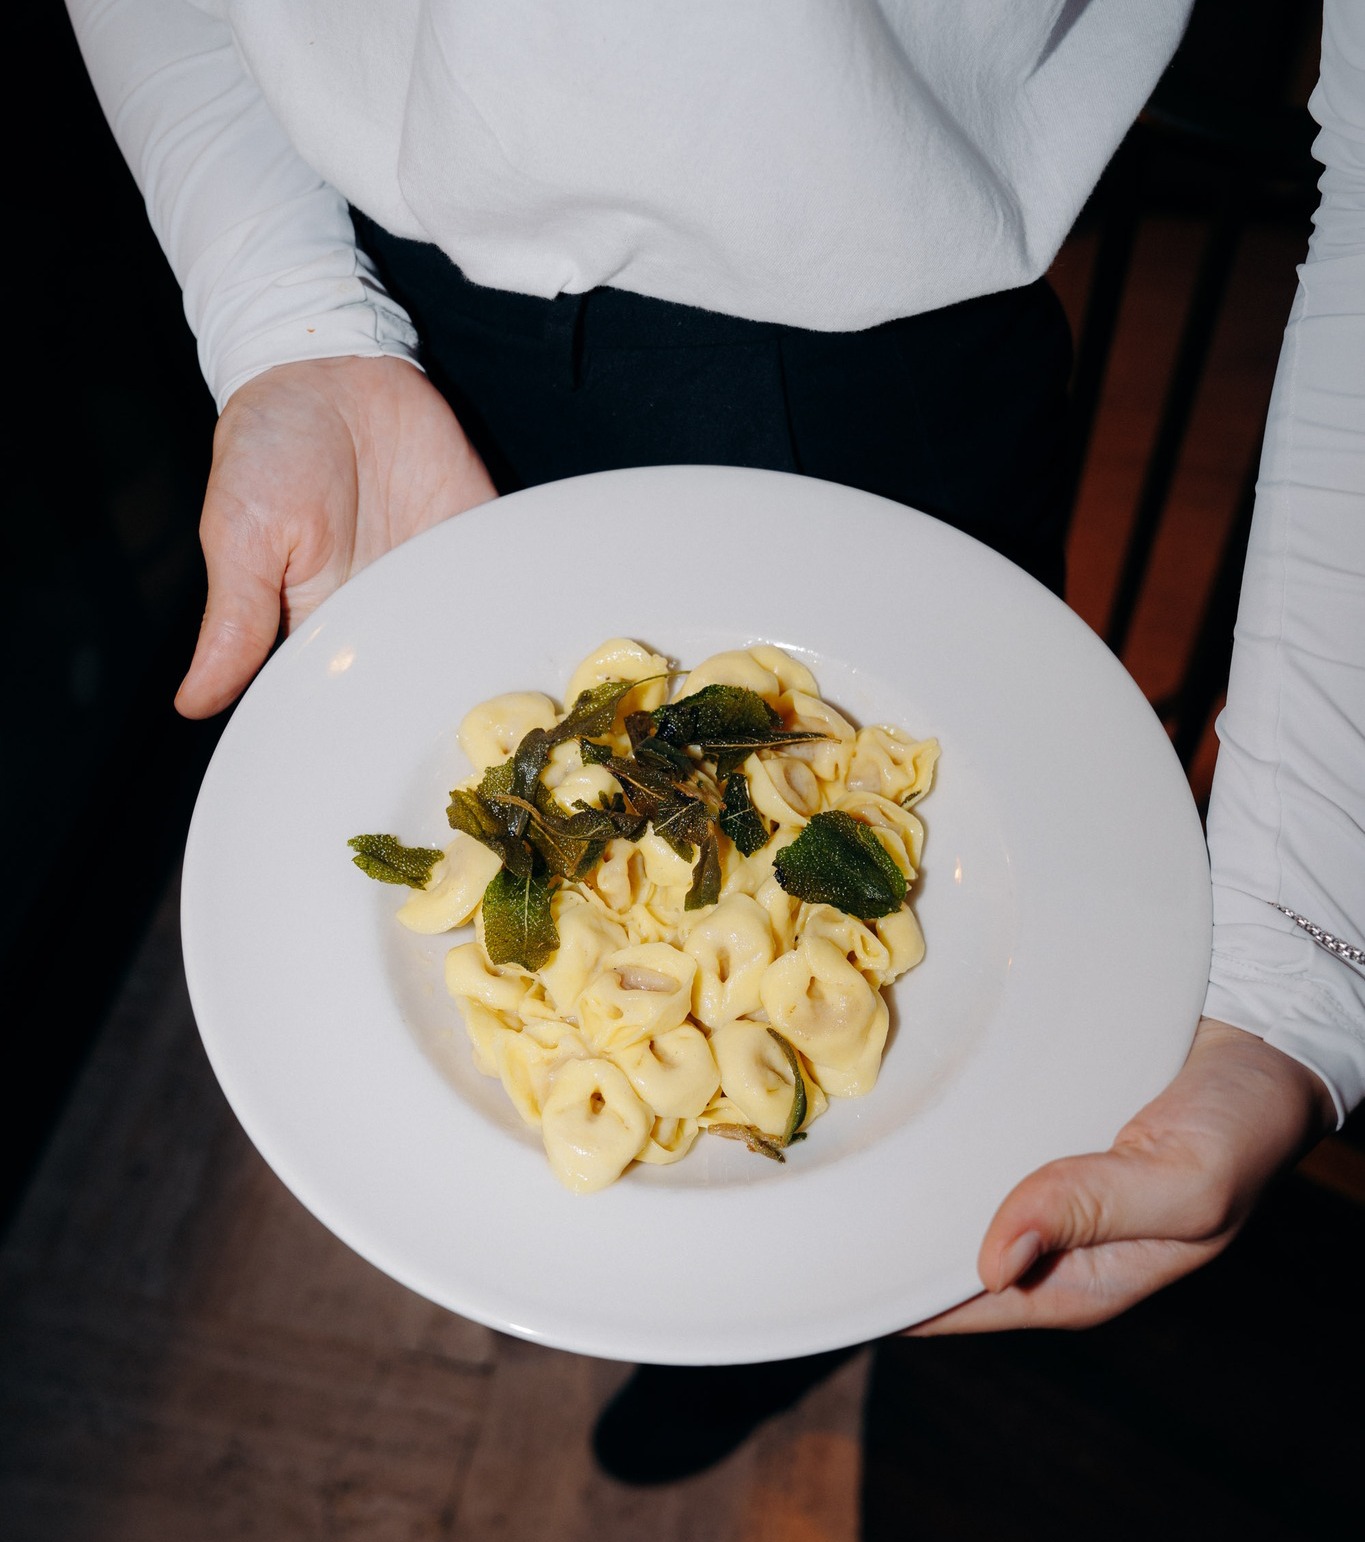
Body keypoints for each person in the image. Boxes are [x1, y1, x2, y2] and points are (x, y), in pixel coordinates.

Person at [66, 0, 1362, 1348]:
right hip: (390, 323)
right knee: (617, 1251)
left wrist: (1301, 957)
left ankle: (766, 1361)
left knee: (901, 1206)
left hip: (884, 358)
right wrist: (287, 315)